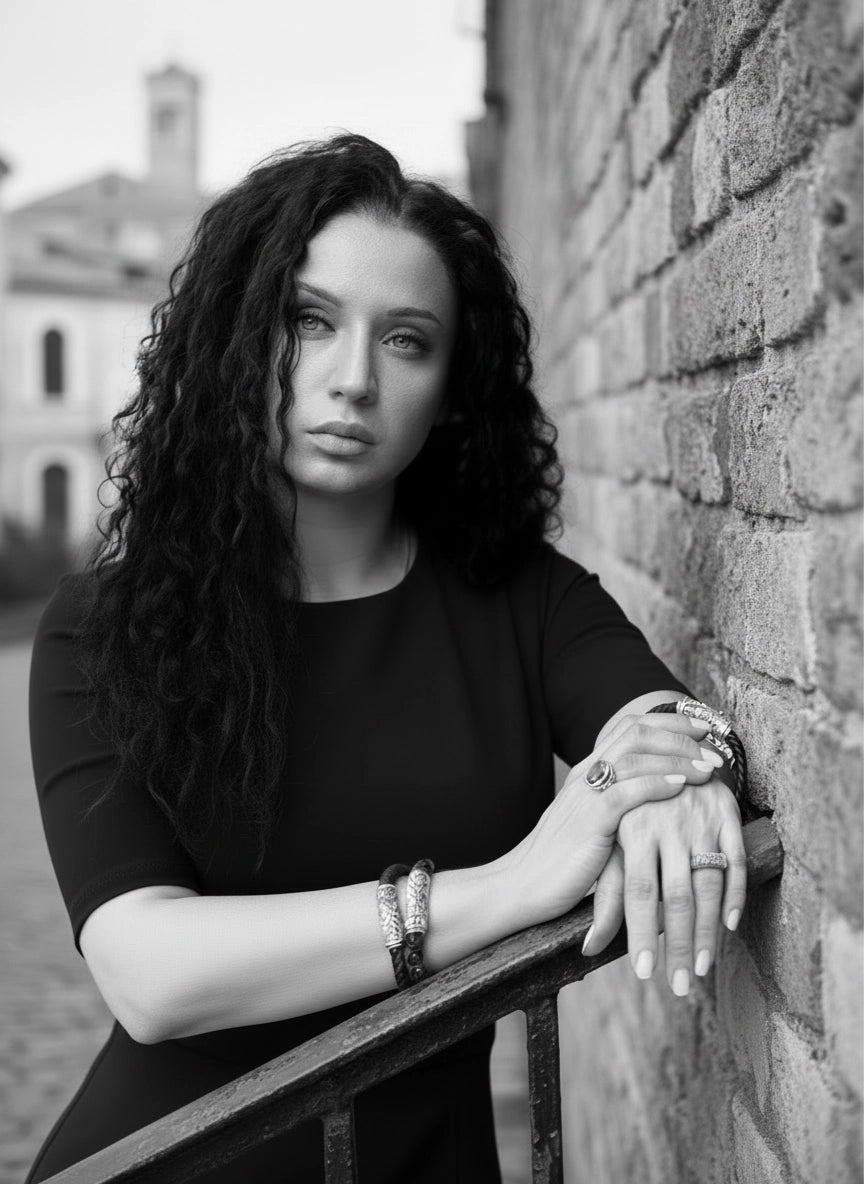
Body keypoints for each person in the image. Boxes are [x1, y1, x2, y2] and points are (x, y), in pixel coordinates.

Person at [26, 134, 747, 1183]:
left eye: (406, 340)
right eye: (308, 321)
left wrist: (689, 774)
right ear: (237, 339)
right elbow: (150, 972)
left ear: (455, 386)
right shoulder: (101, 628)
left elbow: (662, 724)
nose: (352, 380)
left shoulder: (522, 599)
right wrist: (508, 887)